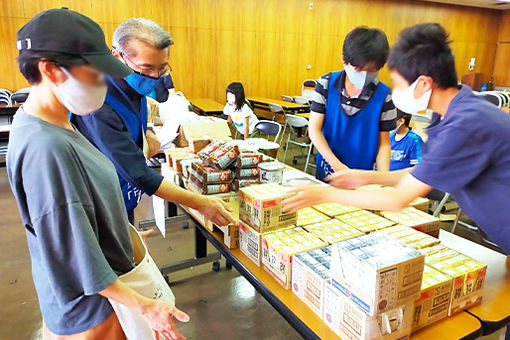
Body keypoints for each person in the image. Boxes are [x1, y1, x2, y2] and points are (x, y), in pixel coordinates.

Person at [8, 8, 189, 339]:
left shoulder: (61, 122)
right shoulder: (45, 147)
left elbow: (78, 213)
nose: (103, 83)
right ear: (50, 70)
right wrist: (146, 306)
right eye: (93, 73)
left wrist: (119, 236)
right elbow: (76, 261)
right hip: (92, 313)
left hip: (108, 288)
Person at [284, 23, 510, 255]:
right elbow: (422, 172)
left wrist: (323, 194)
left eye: (400, 83)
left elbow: (397, 200)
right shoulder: (453, 114)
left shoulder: (465, 124)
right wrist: (367, 177)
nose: (395, 90)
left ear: (423, 83)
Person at [72, 18, 235, 226]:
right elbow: (138, 173)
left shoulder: (132, 83)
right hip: (98, 211)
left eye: (162, 69)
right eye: (146, 68)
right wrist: (199, 203)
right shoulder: (98, 104)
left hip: (123, 199)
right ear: (116, 57)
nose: (154, 76)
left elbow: (136, 110)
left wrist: (146, 130)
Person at [309, 26, 397, 181]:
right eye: (358, 69)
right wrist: (339, 167)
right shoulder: (325, 84)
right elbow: (314, 130)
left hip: (362, 176)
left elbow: (384, 145)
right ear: (344, 60)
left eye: (372, 70)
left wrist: (383, 180)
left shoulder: (385, 95)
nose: (364, 76)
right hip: (328, 170)